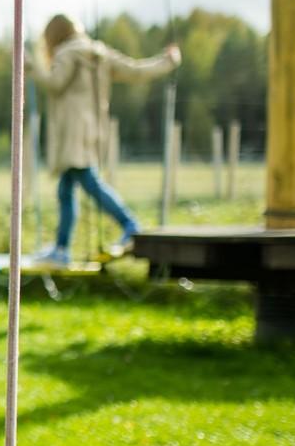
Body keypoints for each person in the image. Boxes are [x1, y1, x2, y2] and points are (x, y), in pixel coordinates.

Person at [30, 14, 182, 265]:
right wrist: (167, 61)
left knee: (88, 182)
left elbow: (55, 84)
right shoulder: (98, 53)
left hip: (73, 131)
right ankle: (61, 248)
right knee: (67, 187)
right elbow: (136, 70)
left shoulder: (67, 54)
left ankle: (129, 225)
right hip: (93, 129)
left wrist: (32, 68)